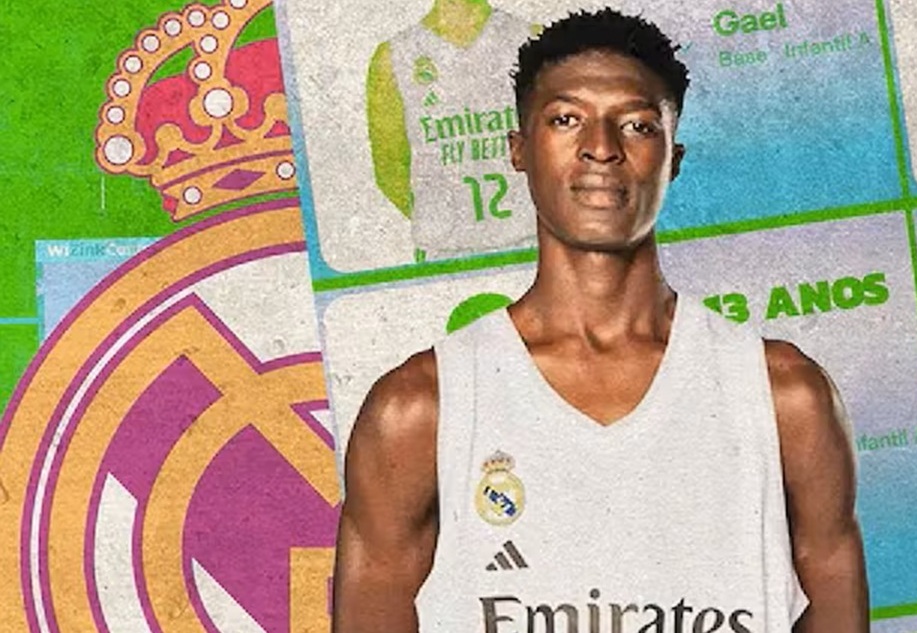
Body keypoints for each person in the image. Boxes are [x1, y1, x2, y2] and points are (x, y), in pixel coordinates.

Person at [334, 9, 868, 632]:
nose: (602, 148)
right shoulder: (421, 409)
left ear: (673, 158)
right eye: (566, 119)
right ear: (518, 149)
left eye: (637, 125)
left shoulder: (783, 397)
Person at [366, 0, 539, 260]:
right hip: (445, 254)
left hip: (532, 244)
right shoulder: (394, 56)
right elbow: (389, 168)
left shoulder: (531, 39)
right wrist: (441, 219)